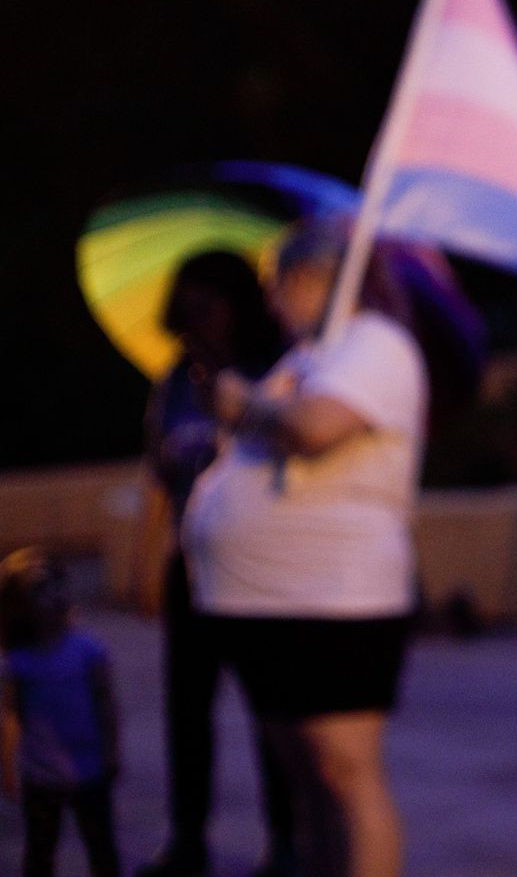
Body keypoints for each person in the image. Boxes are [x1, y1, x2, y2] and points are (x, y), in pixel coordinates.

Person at [182, 219, 426, 877]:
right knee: (305, 781)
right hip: (266, 606)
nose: (270, 302)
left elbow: (315, 428)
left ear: (313, 277)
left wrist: (242, 406)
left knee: (344, 771)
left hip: (333, 600)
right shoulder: (308, 355)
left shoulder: (374, 344)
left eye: (276, 283)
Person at [136, 250, 296, 877]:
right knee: (186, 709)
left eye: (209, 301)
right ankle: (188, 840)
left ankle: (284, 843)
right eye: (188, 303)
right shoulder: (174, 379)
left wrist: (235, 396)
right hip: (192, 563)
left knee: (269, 712)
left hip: (258, 567)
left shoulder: (272, 373)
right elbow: (158, 469)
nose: (197, 317)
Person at [1, 547, 122, 877]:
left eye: (58, 587)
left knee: (101, 846)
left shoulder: (88, 651)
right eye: (41, 592)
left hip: (89, 769)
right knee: (40, 849)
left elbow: (106, 704)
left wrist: (111, 752)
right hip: (40, 774)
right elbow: (12, 713)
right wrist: (9, 762)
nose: (55, 598)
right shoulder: (20, 661)